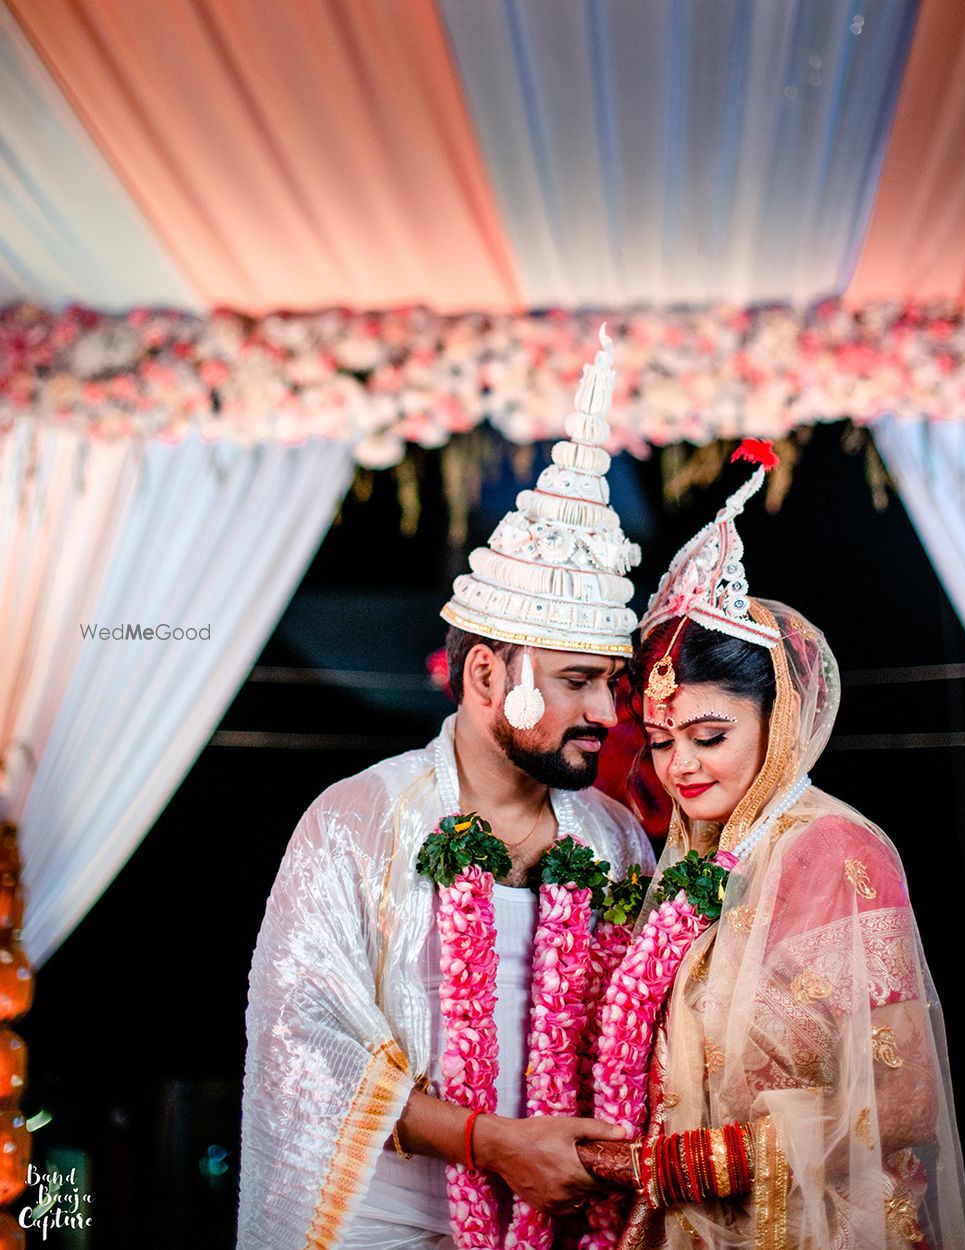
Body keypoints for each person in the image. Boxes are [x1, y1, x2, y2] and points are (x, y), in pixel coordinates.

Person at [236, 329, 656, 1250]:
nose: (605, 710)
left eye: (609, 685)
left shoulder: (618, 840)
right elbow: (302, 1048)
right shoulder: (360, 820)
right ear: (482, 681)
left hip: (560, 1216)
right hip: (378, 1220)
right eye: (580, 679)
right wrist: (490, 1145)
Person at [577, 444, 965, 1249]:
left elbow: (905, 1103)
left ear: (778, 718)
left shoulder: (836, 848)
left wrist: (680, 1166)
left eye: (709, 735)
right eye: (659, 741)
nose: (680, 766)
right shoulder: (688, 869)